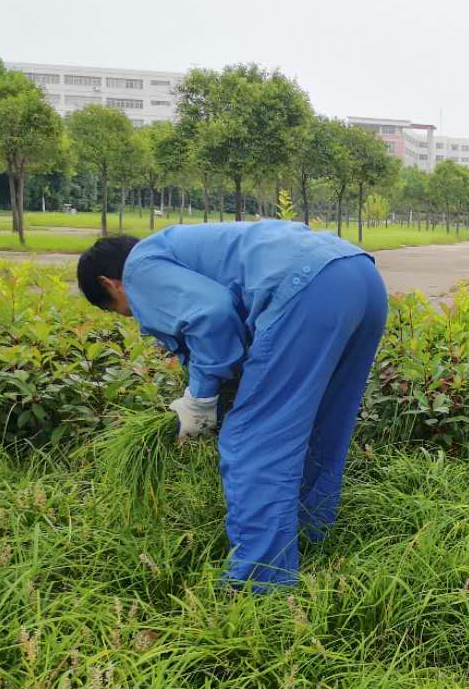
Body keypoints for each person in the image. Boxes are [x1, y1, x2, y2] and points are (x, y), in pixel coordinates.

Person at [77, 220, 388, 591]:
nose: (132, 317)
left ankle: (262, 584)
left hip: (308, 289)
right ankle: (311, 540)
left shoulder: (139, 267)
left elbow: (212, 314)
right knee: (323, 425)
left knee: (253, 441)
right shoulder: (176, 248)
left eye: (120, 310)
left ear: (110, 284)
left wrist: (199, 399)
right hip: (361, 278)